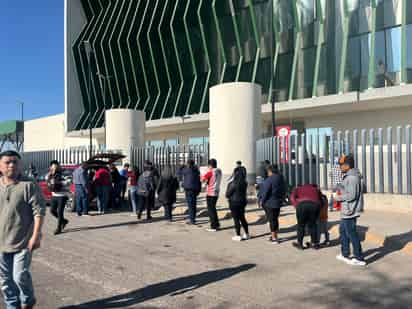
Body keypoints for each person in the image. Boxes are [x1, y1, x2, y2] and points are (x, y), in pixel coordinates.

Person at [0, 150, 45, 309]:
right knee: (5, 280)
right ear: (0, 166)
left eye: (15, 162)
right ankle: (13, 305)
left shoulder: (29, 184)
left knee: (19, 276)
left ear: (20, 165)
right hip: (1, 242)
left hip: (23, 242)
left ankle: (27, 300)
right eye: (7, 162)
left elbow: (39, 211)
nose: (11, 165)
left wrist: (36, 235)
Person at [335, 154, 366, 266]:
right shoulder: (350, 176)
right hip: (347, 210)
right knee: (343, 231)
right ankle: (345, 253)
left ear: (347, 165)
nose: (340, 167)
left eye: (341, 165)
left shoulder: (352, 178)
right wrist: (341, 188)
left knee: (352, 233)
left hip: (350, 210)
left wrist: (337, 197)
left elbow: (351, 195)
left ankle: (359, 258)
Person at [290, 184, 323, 250]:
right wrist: (319, 207)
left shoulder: (298, 188)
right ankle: (314, 244)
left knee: (301, 225)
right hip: (314, 205)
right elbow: (321, 200)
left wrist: (296, 205)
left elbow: (292, 197)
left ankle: (300, 244)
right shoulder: (316, 189)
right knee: (313, 225)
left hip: (302, 205)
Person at [258, 164, 285, 244]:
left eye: (268, 171)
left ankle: (274, 238)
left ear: (270, 171)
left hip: (270, 202)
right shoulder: (281, 178)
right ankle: (275, 235)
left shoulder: (270, 179)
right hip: (278, 202)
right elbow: (284, 190)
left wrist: (262, 201)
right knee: (275, 219)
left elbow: (265, 192)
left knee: (272, 220)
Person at [46, 160, 70, 235]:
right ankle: (64, 221)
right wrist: (50, 175)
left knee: (60, 212)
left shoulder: (63, 173)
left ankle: (59, 228)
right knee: (52, 211)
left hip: (62, 196)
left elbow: (68, 181)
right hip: (54, 195)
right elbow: (47, 180)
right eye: (53, 166)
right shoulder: (50, 174)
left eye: (56, 165)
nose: (55, 167)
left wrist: (61, 182)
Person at [226, 168, 249, 241]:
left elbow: (227, 194)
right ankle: (247, 234)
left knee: (236, 219)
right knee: (242, 218)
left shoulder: (232, 183)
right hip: (242, 202)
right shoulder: (245, 183)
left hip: (234, 202)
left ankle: (238, 235)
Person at [202, 159, 222, 232]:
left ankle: (213, 226)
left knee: (211, 210)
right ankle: (217, 224)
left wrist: (203, 173)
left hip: (210, 192)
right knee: (213, 209)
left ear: (210, 165)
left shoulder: (210, 172)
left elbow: (202, 179)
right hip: (216, 192)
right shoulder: (219, 171)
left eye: (208, 166)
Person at [178, 160, 201, 224]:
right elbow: (199, 180)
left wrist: (181, 166)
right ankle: (193, 218)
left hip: (188, 189)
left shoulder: (186, 170)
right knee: (193, 204)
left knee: (190, 205)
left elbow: (178, 172)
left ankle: (192, 220)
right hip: (195, 189)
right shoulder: (196, 170)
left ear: (188, 164)